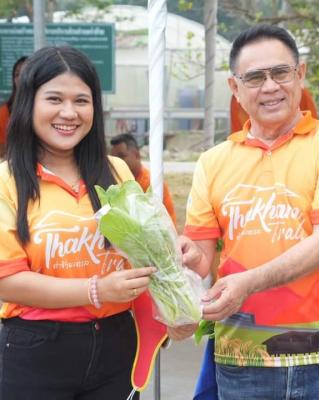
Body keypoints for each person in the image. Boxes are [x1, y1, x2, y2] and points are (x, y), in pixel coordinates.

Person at [0, 45, 198, 399]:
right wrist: (96, 290)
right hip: (36, 349)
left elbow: (144, 255)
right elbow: (7, 281)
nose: (69, 113)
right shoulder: (7, 180)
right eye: (54, 99)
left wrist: (175, 280)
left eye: (81, 100)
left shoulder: (116, 171)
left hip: (117, 344)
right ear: (29, 103)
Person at [183, 25, 319, 399]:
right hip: (242, 358)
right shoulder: (212, 162)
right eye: (255, 77)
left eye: (280, 72)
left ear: (300, 74)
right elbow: (200, 258)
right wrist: (181, 256)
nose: (270, 87)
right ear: (235, 88)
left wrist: (247, 283)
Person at [110, 133, 177, 225]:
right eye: (113, 158)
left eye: (121, 156)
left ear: (137, 155)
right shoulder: (114, 183)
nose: (116, 162)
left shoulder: (152, 183)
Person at [0, 56, 28, 158]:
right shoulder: (4, 112)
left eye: (26, 73)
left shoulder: (48, 110)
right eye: (17, 74)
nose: (20, 78)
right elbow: (2, 152)